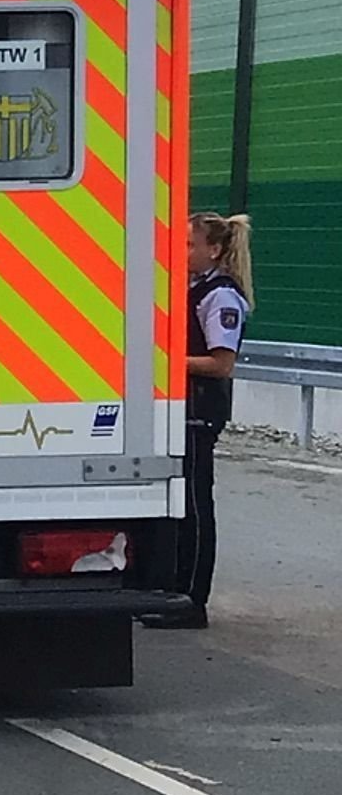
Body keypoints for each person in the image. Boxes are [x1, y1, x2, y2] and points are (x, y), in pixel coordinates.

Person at [147, 209, 252, 629]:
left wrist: (167, 361)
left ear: (215, 249)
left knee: (193, 504)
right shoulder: (192, 289)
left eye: (191, 244)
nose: (183, 251)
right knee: (178, 505)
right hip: (182, 408)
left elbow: (220, 363)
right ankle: (173, 590)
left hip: (199, 412)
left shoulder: (220, 296)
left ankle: (193, 600)